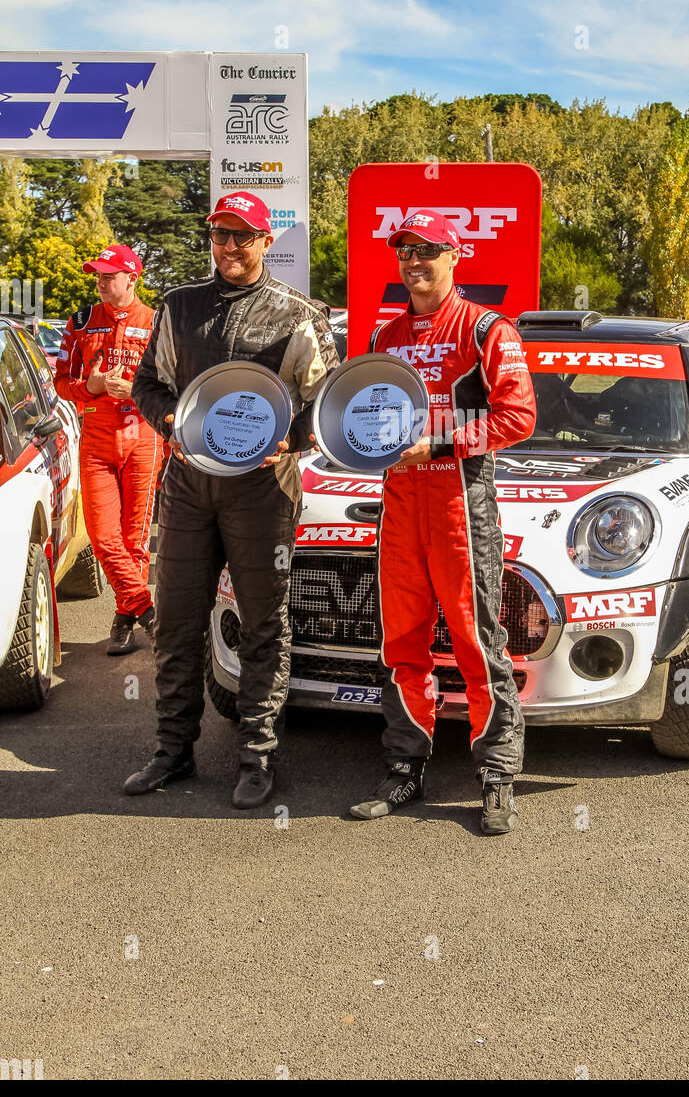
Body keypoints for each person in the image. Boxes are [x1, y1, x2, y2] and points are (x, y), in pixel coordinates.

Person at [123, 191, 340, 809]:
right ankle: (172, 751)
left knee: (263, 626)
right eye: (220, 234)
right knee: (176, 625)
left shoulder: (299, 314)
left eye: (243, 236)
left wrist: (287, 442)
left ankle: (257, 756)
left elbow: (327, 407)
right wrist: (175, 425)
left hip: (263, 492)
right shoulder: (179, 305)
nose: (229, 246)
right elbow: (148, 385)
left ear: (267, 242)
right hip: (189, 486)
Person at [349, 209, 537, 834]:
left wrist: (440, 444)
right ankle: (404, 768)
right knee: (401, 641)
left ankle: (497, 777)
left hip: (460, 503)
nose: (413, 260)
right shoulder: (385, 336)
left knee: (477, 642)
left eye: (427, 249)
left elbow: (518, 418)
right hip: (400, 504)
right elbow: (367, 417)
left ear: (455, 256)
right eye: (404, 249)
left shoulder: (488, 329)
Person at [54, 245, 162, 655]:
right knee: (102, 537)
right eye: (97, 275)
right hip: (97, 437)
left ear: (131, 278)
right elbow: (62, 382)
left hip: (143, 436)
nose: (100, 282)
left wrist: (136, 391)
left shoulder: (155, 322)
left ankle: (124, 620)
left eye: (108, 275)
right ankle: (149, 612)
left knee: (135, 539)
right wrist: (92, 388)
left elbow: (172, 385)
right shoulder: (80, 321)